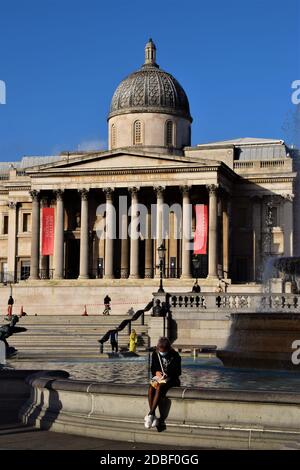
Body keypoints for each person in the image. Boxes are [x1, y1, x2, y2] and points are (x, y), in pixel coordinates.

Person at [145, 337, 181, 429]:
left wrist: (168, 374)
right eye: (160, 350)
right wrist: (156, 372)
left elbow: (178, 372)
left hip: (171, 379)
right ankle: (152, 414)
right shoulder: (155, 354)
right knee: (150, 387)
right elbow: (153, 368)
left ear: (168, 349)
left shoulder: (175, 356)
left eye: (164, 351)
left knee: (159, 387)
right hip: (158, 377)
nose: (162, 353)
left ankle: (151, 414)